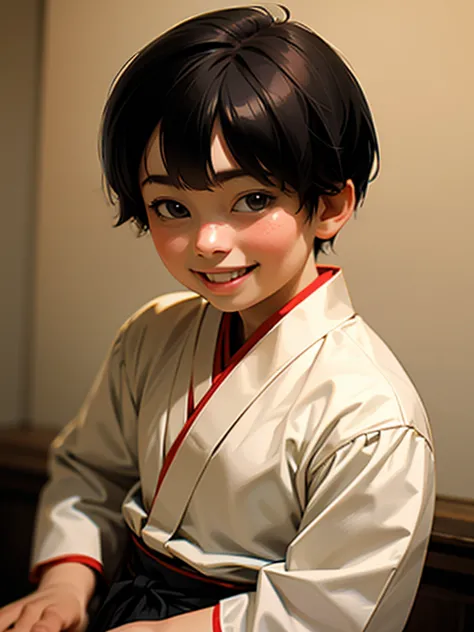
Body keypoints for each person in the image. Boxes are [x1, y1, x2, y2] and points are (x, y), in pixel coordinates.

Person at [0, 5, 435, 632]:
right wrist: (67, 583)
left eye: (252, 200)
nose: (207, 240)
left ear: (332, 203)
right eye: (171, 204)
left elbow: (327, 614)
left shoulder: (374, 416)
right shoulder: (151, 335)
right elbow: (87, 471)